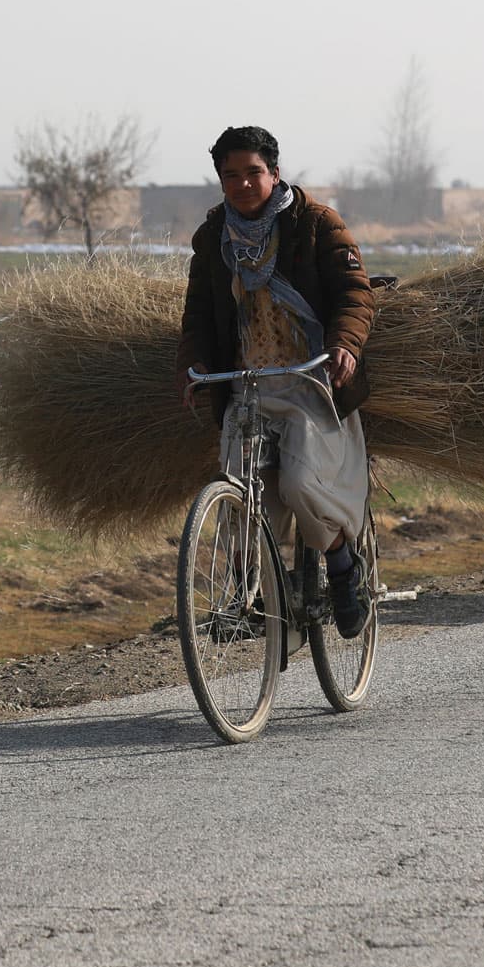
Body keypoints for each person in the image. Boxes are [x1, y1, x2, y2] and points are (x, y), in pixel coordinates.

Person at [175, 126, 377, 637]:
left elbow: (355, 292)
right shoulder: (212, 236)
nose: (243, 184)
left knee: (302, 484)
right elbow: (198, 313)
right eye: (231, 176)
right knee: (243, 495)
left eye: (253, 173)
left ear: (275, 173)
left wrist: (345, 346)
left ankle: (341, 564)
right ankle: (260, 595)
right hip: (246, 383)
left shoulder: (316, 223)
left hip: (310, 380)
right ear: (220, 180)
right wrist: (194, 369)